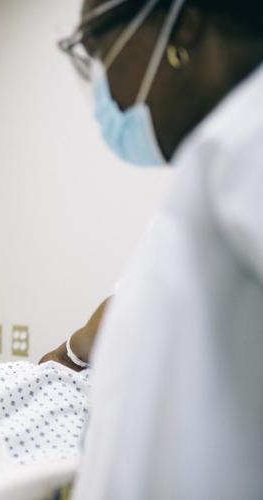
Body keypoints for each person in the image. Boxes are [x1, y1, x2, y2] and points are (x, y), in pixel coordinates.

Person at [54, 0, 263, 498]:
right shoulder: (211, 169)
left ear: (182, 26)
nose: (105, 91)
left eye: (101, 54)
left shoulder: (245, 141)